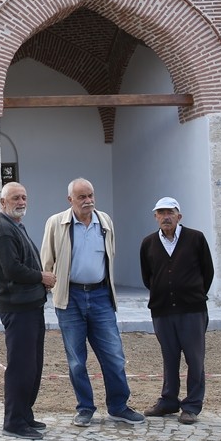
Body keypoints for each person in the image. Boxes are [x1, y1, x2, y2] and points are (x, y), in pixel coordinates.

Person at [40, 178, 145, 427]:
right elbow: (47, 260)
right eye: (82, 197)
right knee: (77, 359)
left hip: (100, 296)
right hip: (70, 297)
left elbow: (111, 254)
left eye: (90, 195)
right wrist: (50, 290)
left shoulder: (105, 221)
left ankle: (118, 406)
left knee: (114, 355)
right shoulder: (57, 223)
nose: (88, 201)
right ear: (70, 200)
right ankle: (85, 407)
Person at [0, 182, 56, 440]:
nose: (21, 202)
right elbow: (12, 269)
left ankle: (25, 414)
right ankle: (14, 421)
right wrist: (42, 277)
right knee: (21, 366)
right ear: (3, 202)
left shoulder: (16, 226)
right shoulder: (3, 230)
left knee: (33, 365)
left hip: (31, 305)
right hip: (18, 308)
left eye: (24, 197)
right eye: (15, 198)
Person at [139, 196, 214, 425]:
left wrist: (193, 293)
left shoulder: (195, 238)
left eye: (170, 212)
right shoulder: (148, 243)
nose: (166, 217)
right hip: (162, 311)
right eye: (161, 213)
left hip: (192, 309)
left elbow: (207, 271)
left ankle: (191, 405)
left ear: (179, 216)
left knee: (195, 358)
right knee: (169, 358)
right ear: (155, 217)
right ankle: (169, 400)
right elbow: (147, 277)